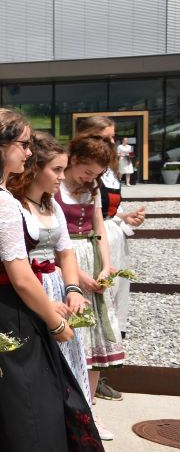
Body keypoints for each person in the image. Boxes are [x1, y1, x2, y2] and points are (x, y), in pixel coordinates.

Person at [0, 108, 105, 452]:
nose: (28, 152)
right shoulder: (0, 200)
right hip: (8, 310)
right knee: (15, 414)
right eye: (22, 144)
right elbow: (21, 276)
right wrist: (55, 320)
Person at [6, 131, 94, 452]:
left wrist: (73, 288)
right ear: (35, 169)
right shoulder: (13, 205)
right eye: (56, 170)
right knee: (36, 379)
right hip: (31, 292)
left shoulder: (51, 205)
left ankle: (57, 450)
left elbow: (66, 250)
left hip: (56, 287)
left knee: (64, 374)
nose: (61, 177)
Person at [56, 134, 125, 427]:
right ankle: (67, 410)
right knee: (73, 334)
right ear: (73, 160)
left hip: (92, 259)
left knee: (95, 336)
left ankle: (90, 411)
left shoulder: (92, 189)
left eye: (96, 174)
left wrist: (107, 265)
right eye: (87, 171)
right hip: (67, 260)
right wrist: (79, 276)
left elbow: (99, 229)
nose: (90, 178)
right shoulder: (55, 186)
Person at [76, 117, 145, 351]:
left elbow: (110, 208)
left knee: (115, 295)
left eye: (113, 137)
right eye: (105, 137)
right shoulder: (83, 171)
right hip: (92, 237)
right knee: (96, 298)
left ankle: (103, 366)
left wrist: (126, 217)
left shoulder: (110, 170)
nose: (111, 142)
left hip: (113, 235)